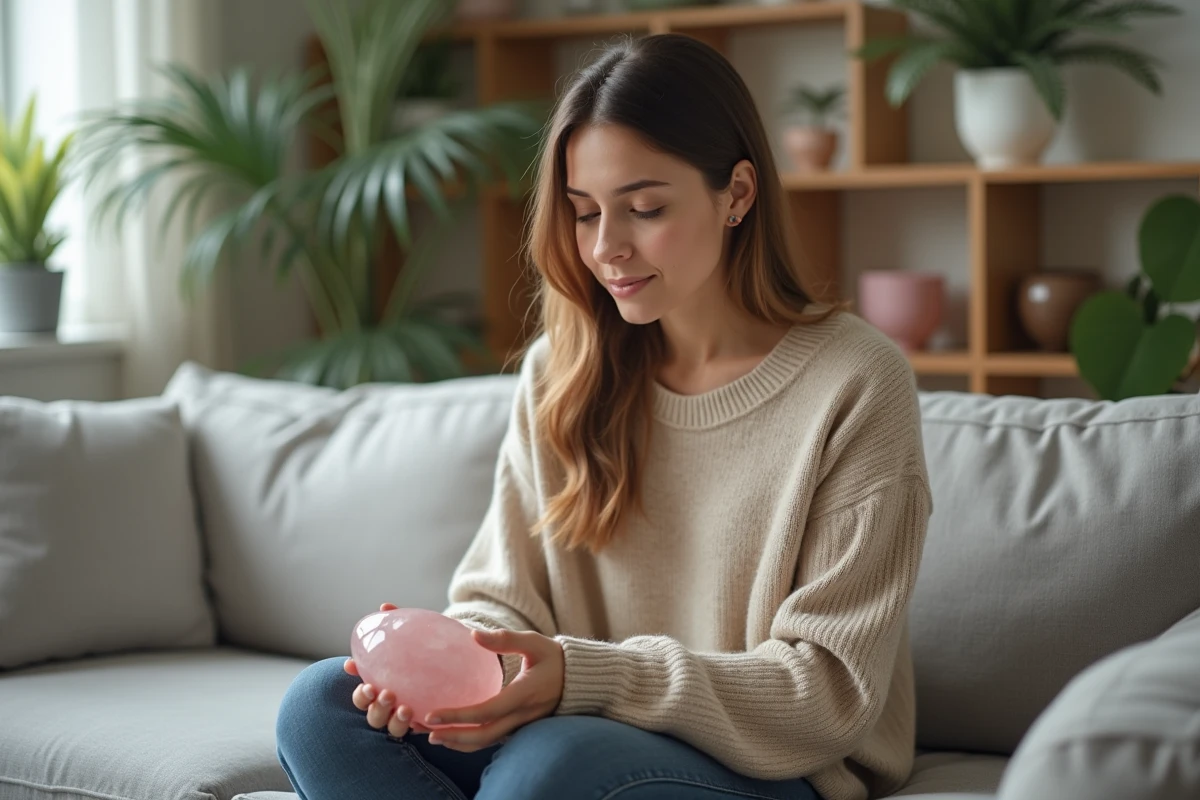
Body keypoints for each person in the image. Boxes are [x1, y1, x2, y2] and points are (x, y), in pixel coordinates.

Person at [275, 32, 932, 800]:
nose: (607, 247)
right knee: (321, 707)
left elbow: (828, 693)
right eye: (584, 215)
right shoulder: (563, 369)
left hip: (772, 763)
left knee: (546, 773)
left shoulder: (855, 381)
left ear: (738, 196)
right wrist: (452, 654)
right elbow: (502, 596)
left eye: (644, 208)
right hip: (571, 723)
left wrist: (585, 677)